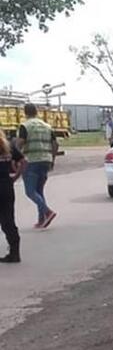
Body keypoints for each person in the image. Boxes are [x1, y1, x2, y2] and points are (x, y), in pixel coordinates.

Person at [16, 103, 58, 228]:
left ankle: (48, 212)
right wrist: (52, 160)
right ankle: (42, 220)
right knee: (39, 191)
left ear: (25, 112)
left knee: (30, 192)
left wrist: (16, 154)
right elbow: (55, 144)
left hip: (32, 161)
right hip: (46, 161)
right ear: (36, 112)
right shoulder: (47, 126)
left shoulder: (25, 126)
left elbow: (20, 143)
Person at [0, 130, 26, 263]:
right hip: (6, 187)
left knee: (6, 222)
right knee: (8, 221)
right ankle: (14, 253)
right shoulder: (8, 146)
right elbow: (23, 161)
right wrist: (15, 177)